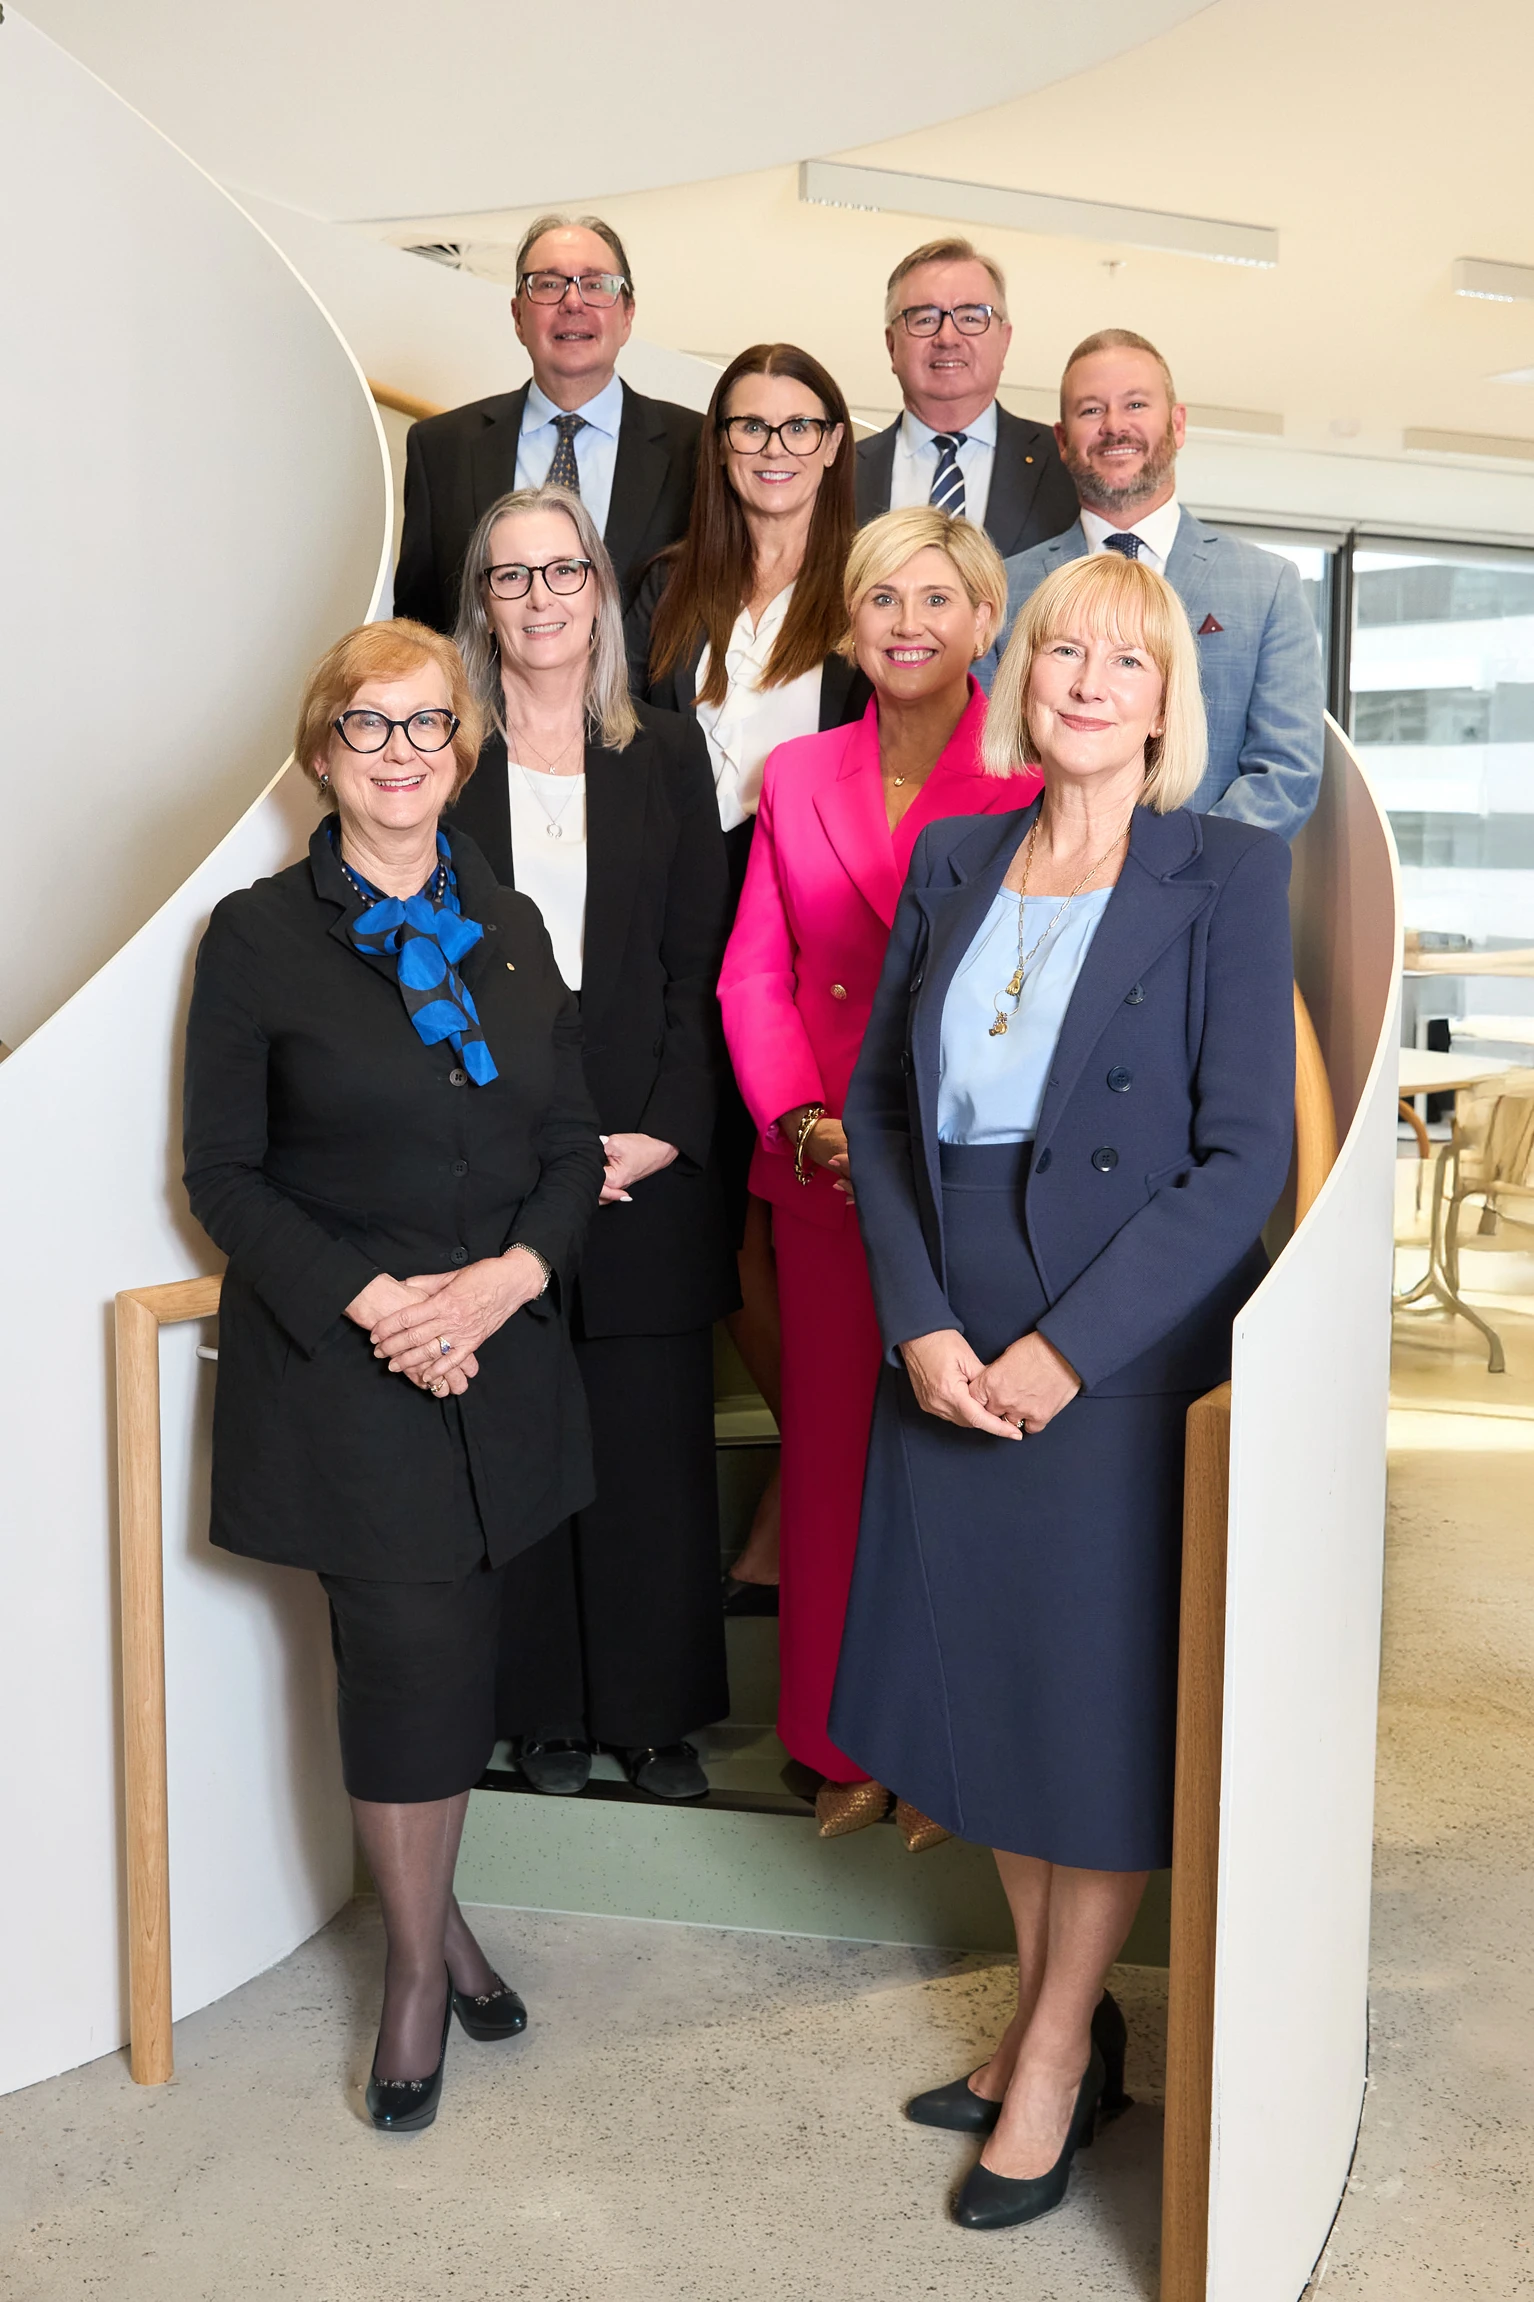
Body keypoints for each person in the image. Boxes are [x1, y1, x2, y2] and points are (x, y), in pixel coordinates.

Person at [833, 551, 1295, 2228]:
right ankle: (1063, 2016)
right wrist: (916, 1321)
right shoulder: (949, 856)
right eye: (1060, 651)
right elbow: (880, 1112)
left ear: (1166, 698)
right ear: (1016, 676)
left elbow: (1241, 1156)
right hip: (948, 1330)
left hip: (1105, 1353)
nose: (1088, 679)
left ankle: (1041, 2057)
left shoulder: (1224, 875)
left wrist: (1062, 1349)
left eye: (1126, 658)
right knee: (997, 1700)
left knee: (1087, 1721)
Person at [183, 620, 605, 2132]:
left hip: (497, 1353)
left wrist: (501, 1282)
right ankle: (416, 1981)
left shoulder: (507, 923)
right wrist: (382, 1306)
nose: (402, 753)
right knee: (411, 1668)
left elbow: (567, 1142)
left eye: (431, 728)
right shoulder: (256, 936)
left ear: (462, 755)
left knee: (452, 1668)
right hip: (350, 1370)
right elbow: (223, 1176)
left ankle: (438, 1923)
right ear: (322, 753)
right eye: (370, 726)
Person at [718, 506, 1040, 1841]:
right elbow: (754, 970)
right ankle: (838, 1740)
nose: (905, 622)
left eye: (934, 598)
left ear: (982, 622)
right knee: (837, 1453)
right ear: (845, 625)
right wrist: (802, 1122)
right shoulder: (795, 773)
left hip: (960, 1168)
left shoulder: (1030, 775)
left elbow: (1034, 991)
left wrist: (903, 1126)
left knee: (952, 1464)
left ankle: (941, 1747)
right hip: (820, 1170)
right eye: (879, 600)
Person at [450, 483, 736, 1804]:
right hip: (496, 1162)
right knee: (520, 1427)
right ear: (481, 604)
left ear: (599, 591)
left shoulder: (668, 754)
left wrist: (664, 1134)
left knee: (645, 1444)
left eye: (562, 571)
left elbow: (700, 970)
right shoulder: (440, 761)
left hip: (645, 1157)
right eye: (511, 578)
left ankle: (650, 1712)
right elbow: (425, 978)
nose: (541, 597)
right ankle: (544, 1707)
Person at [628, 342, 872, 1610]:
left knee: (800, 1216)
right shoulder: (666, 586)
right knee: (715, 1227)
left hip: (812, 937)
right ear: (718, 446)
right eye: (746, 427)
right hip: (681, 922)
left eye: (797, 426)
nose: (771, 449)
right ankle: (830, 1462)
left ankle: (821, 1478)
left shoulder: (872, 588)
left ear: (835, 441)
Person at [980, 328, 1324, 840]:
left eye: (1136, 404)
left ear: (1177, 424)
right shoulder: (1008, 588)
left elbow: (1285, 773)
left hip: (1207, 897)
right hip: (1044, 894)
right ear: (1061, 439)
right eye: (1091, 410)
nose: (1115, 426)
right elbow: (993, 759)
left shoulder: (1268, 585)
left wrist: (1176, 874)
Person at [394, 213, 701, 631]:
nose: (573, 303)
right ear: (518, 317)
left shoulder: (698, 449)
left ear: (627, 315)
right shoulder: (440, 449)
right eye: (549, 284)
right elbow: (418, 630)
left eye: (596, 285)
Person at [855, 238, 1077, 558]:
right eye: (925, 319)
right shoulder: (838, 472)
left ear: (1004, 340)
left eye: (971, 318)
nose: (947, 338)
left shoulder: (1067, 463)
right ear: (892, 345)